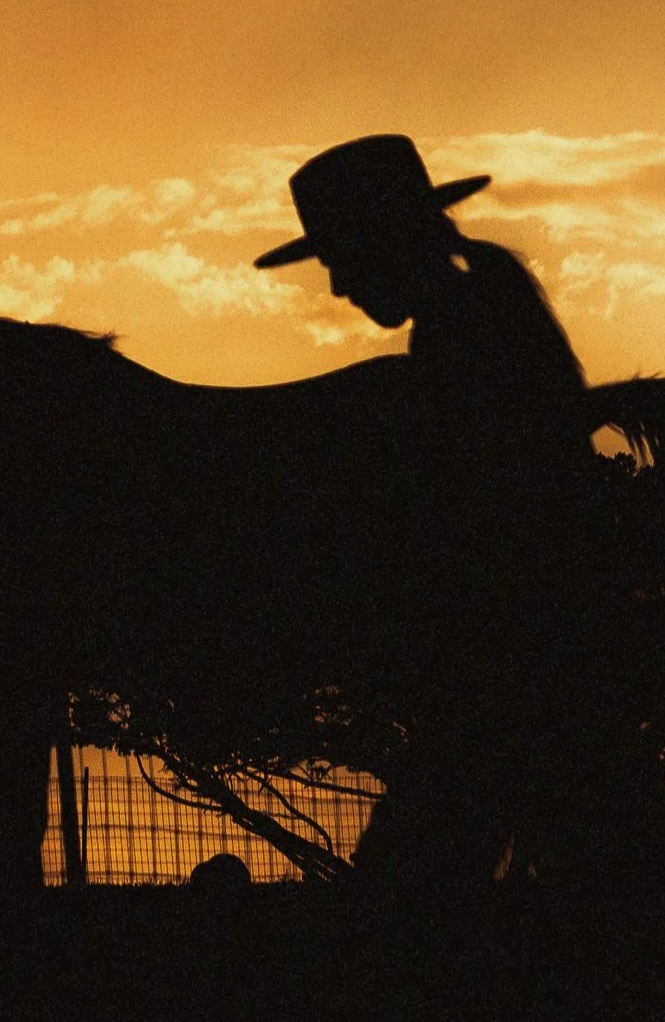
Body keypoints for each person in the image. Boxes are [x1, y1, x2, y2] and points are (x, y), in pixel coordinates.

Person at [252, 135, 607, 884]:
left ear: (385, 240)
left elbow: (484, 510)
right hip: (542, 660)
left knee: (412, 892)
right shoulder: (481, 310)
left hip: (507, 670)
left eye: (344, 260)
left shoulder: (460, 333)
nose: (341, 287)